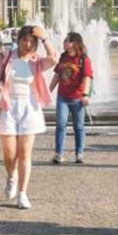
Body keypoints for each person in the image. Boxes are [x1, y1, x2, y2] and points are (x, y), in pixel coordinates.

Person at [0, 24, 57, 210]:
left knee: (25, 155)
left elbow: (54, 59)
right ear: (18, 40)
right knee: (10, 155)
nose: (27, 44)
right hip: (9, 107)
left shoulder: (36, 61)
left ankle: (22, 193)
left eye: (31, 42)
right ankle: (12, 177)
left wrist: (44, 38)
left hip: (30, 108)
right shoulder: (6, 58)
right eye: (24, 40)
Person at [52, 32, 93, 164]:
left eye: (68, 41)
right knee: (60, 125)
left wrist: (85, 95)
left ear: (75, 43)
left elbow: (87, 78)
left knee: (79, 127)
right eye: (65, 41)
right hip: (62, 97)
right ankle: (59, 154)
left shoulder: (83, 59)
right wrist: (47, 91)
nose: (65, 43)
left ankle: (79, 153)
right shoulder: (63, 57)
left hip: (77, 99)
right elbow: (57, 76)